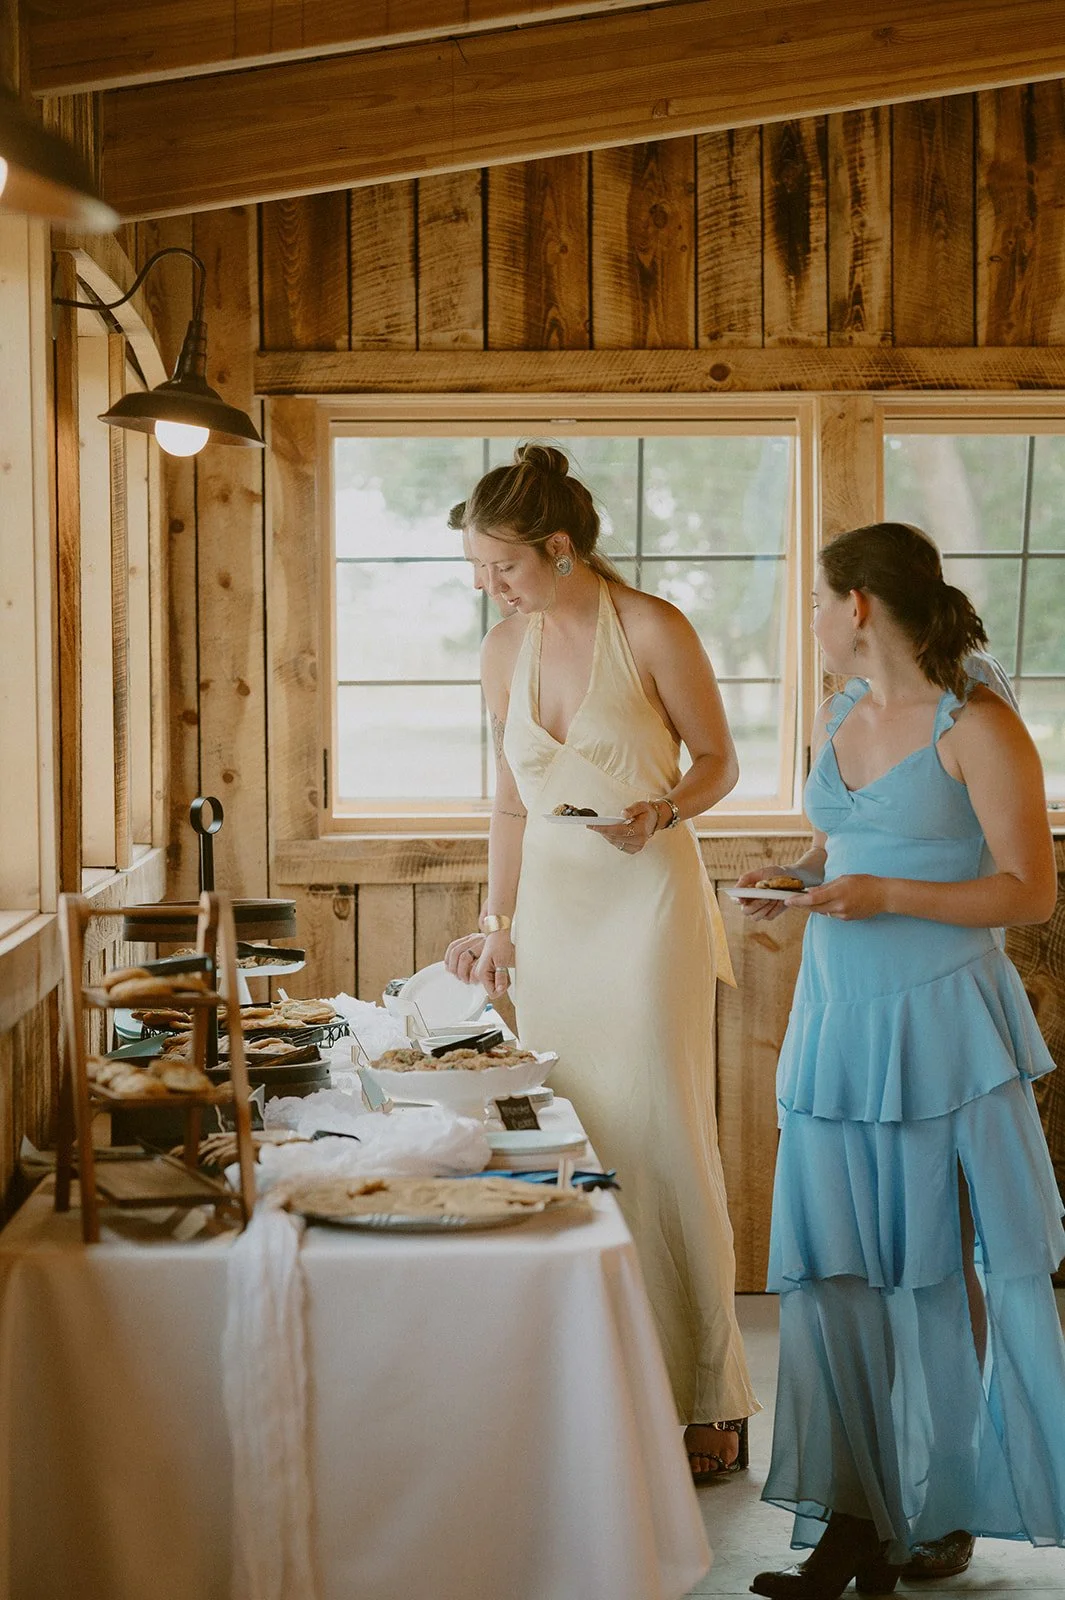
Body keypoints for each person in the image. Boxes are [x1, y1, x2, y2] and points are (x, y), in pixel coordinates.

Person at [736, 522, 1065, 1598]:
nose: (816, 621)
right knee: (833, 1269)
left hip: (939, 1028)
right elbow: (845, 846)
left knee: (925, 1269)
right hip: (838, 1022)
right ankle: (850, 1518)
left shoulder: (980, 725)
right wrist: (794, 877)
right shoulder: (840, 714)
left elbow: (1028, 890)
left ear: (862, 607)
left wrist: (885, 897)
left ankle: (931, 1508)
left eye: (821, 600)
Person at [444, 443, 760, 1476]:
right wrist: (499, 922)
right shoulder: (504, 650)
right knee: (571, 1128)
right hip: (555, 914)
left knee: (662, 1131)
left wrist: (662, 806)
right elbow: (505, 801)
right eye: (480, 571)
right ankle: (590, 1376)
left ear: (563, 548)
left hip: (648, 901)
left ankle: (709, 1390)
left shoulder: (654, 627)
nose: (489, 588)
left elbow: (721, 762)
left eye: (504, 569)